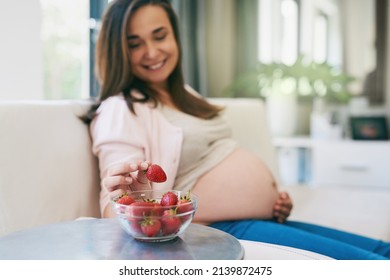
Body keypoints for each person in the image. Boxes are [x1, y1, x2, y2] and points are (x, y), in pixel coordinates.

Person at [83, 0, 390, 260]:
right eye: (134, 44)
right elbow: (113, 213)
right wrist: (130, 195)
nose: (151, 51)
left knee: (382, 251)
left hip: (254, 220)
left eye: (159, 36)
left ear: (175, 36)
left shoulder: (186, 96)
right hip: (222, 231)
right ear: (118, 51)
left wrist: (270, 200)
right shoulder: (120, 108)